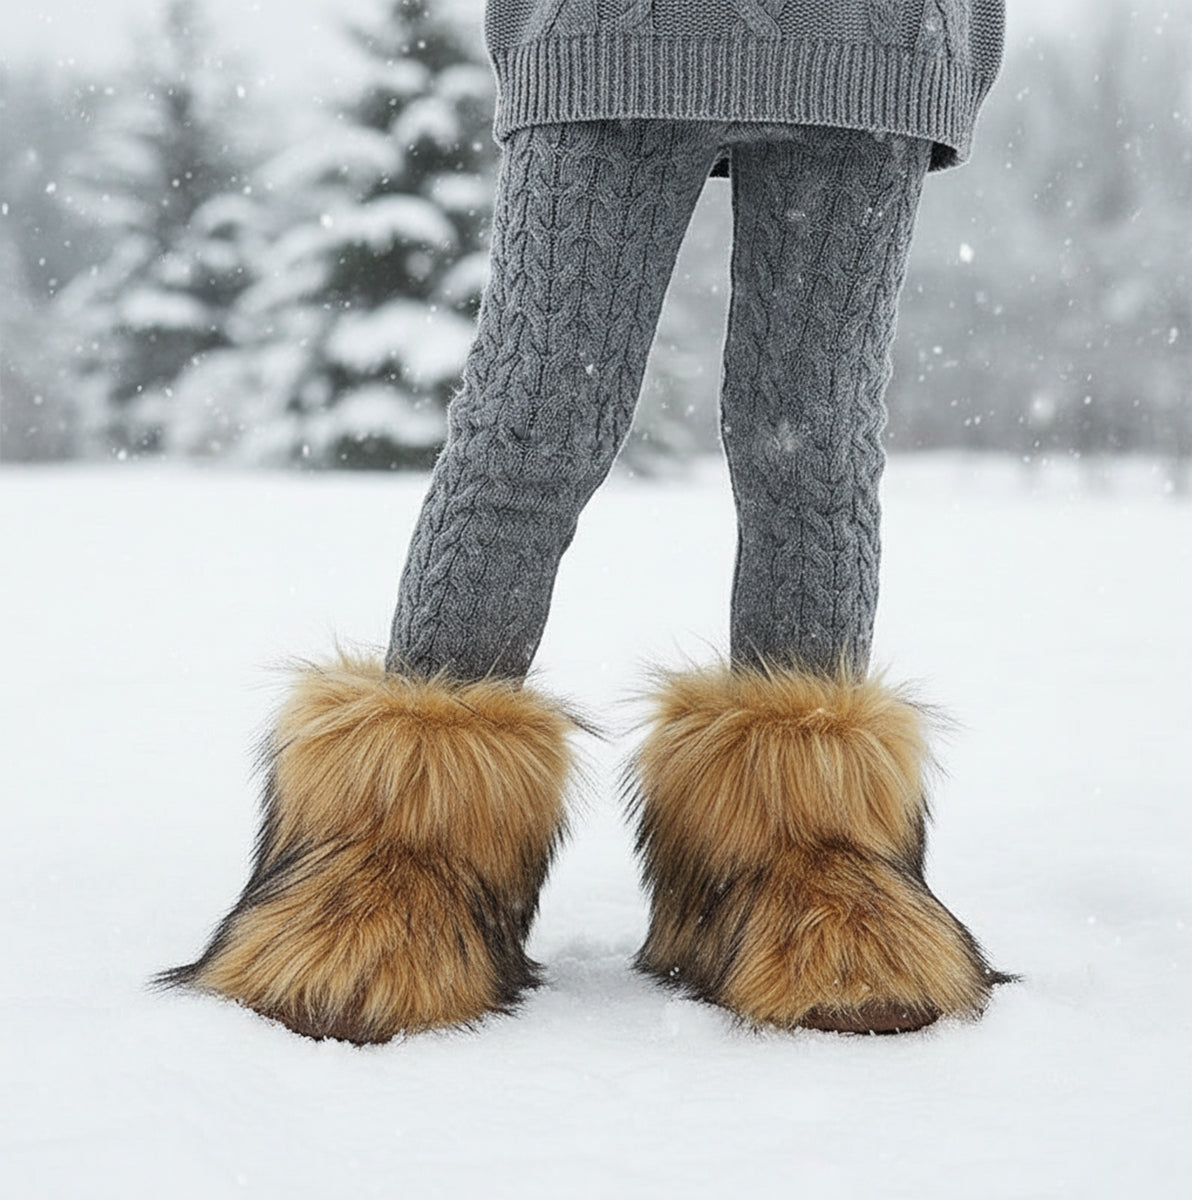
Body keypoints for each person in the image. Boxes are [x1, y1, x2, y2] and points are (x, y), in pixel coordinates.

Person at [161, 0, 1009, 1042]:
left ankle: (414, 873)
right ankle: (786, 875)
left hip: (738, 34)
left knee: (571, 432)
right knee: (778, 445)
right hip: (816, 35)